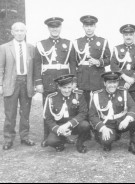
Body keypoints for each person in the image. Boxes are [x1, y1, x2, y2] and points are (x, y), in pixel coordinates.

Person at [34, 17, 77, 147]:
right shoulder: (41, 44)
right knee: (49, 109)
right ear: (48, 28)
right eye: (52, 27)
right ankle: (47, 136)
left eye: (57, 27)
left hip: (64, 80)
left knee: (66, 108)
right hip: (48, 81)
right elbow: (37, 64)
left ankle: (65, 136)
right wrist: (38, 82)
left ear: (60, 28)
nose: (54, 29)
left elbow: (73, 63)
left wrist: (73, 80)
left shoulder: (68, 44)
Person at [0, 22, 36, 150]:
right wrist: (0, 85)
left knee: (25, 112)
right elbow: (1, 67)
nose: (20, 33)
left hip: (26, 82)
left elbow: (35, 68)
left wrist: (35, 84)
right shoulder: (4, 47)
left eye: (22, 30)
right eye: (17, 30)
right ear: (12, 32)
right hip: (11, 83)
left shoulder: (31, 48)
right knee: (10, 113)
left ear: (26, 32)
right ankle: (8, 139)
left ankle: (25, 137)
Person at [89, 72, 135, 154]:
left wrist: (127, 119)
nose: (112, 85)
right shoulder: (97, 95)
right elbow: (92, 115)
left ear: (117, 83)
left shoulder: (123, 92)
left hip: (121, 122)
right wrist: (103, 128)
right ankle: (111, 137)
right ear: (104, 83)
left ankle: (132, 143)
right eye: (109, 83)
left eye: (115, 82)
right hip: (107, 124)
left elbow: (133, 107)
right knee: (106, 142)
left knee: (134, 119)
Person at [111, 24, 135, 140]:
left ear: (133, 35)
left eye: (130, 34)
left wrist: (132, 79)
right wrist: (124, 77)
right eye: (126, 35)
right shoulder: (117, 49)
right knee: (119, 106)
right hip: (121, 83)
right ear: (123, 36)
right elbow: (113, 65)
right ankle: (118, 131)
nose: (128, 37)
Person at [44, 74, 90, 153]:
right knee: (51, 141)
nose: (67, 90)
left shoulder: (78, 95)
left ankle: (79, 143)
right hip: (59, 126)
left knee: (85, 125)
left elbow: (83, 113)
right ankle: (61, 143)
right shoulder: (51, 98)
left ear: (72, 85)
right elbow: (48, 118)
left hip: (74, 124)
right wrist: (59, 129)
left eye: (69, 87)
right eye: (64, 88)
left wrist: (68, 124)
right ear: (59, 87)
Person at [74, 15, 111, 107]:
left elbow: (109, 59)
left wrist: (99, 62)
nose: (89, 28)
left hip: (97, 77)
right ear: (83, 27)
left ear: (95, 27)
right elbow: (74, 62)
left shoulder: (103, 41)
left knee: (98, 103)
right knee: (83, 104)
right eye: (86, 26)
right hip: (82, 78)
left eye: (91, 26)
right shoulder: (77, 42)